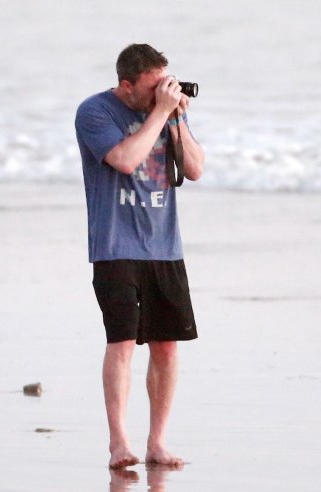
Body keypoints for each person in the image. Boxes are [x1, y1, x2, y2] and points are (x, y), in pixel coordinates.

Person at [75, 43, 205, 469]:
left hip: (164, 246)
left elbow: (196, 168)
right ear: (125, 85)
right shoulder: (94, 113)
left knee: (167, 347)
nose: (158, 95)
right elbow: (126, 160)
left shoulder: (168, 113)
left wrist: (177, 118)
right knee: (123, 343)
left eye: (162, 86)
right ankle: (119, 443)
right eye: (150, 89)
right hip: (115, 247)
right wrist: (159, 114)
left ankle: (158, 442)